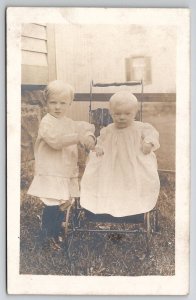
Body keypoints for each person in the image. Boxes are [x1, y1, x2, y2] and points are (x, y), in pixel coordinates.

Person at [28, 80, 96, 249]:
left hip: (65, 170)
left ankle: (57, 230)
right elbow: (56, 141)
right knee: (51, 203)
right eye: (53, 103)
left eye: (62, 103)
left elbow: (84, 127)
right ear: (46, 103)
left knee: (63, 202)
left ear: (69, 104)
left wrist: (88, 136)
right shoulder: (47, 122)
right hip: (51, 170)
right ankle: (47, 234)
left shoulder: (68, 122)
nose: (57, 107)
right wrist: (77, 137)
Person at [80, 91, 160, 217]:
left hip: (134, 164)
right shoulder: (108, 130)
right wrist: (99, 147)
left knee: (134, 182)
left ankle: (134, 207)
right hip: (111, 165)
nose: (122, 117)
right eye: (117, 114)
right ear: (111, 113)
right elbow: (101, 141)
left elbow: (152, 134)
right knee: (108, 183)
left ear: (135, 113)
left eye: (127, 113)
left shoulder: (140, 128)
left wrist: (148, 142)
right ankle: (109, 206)